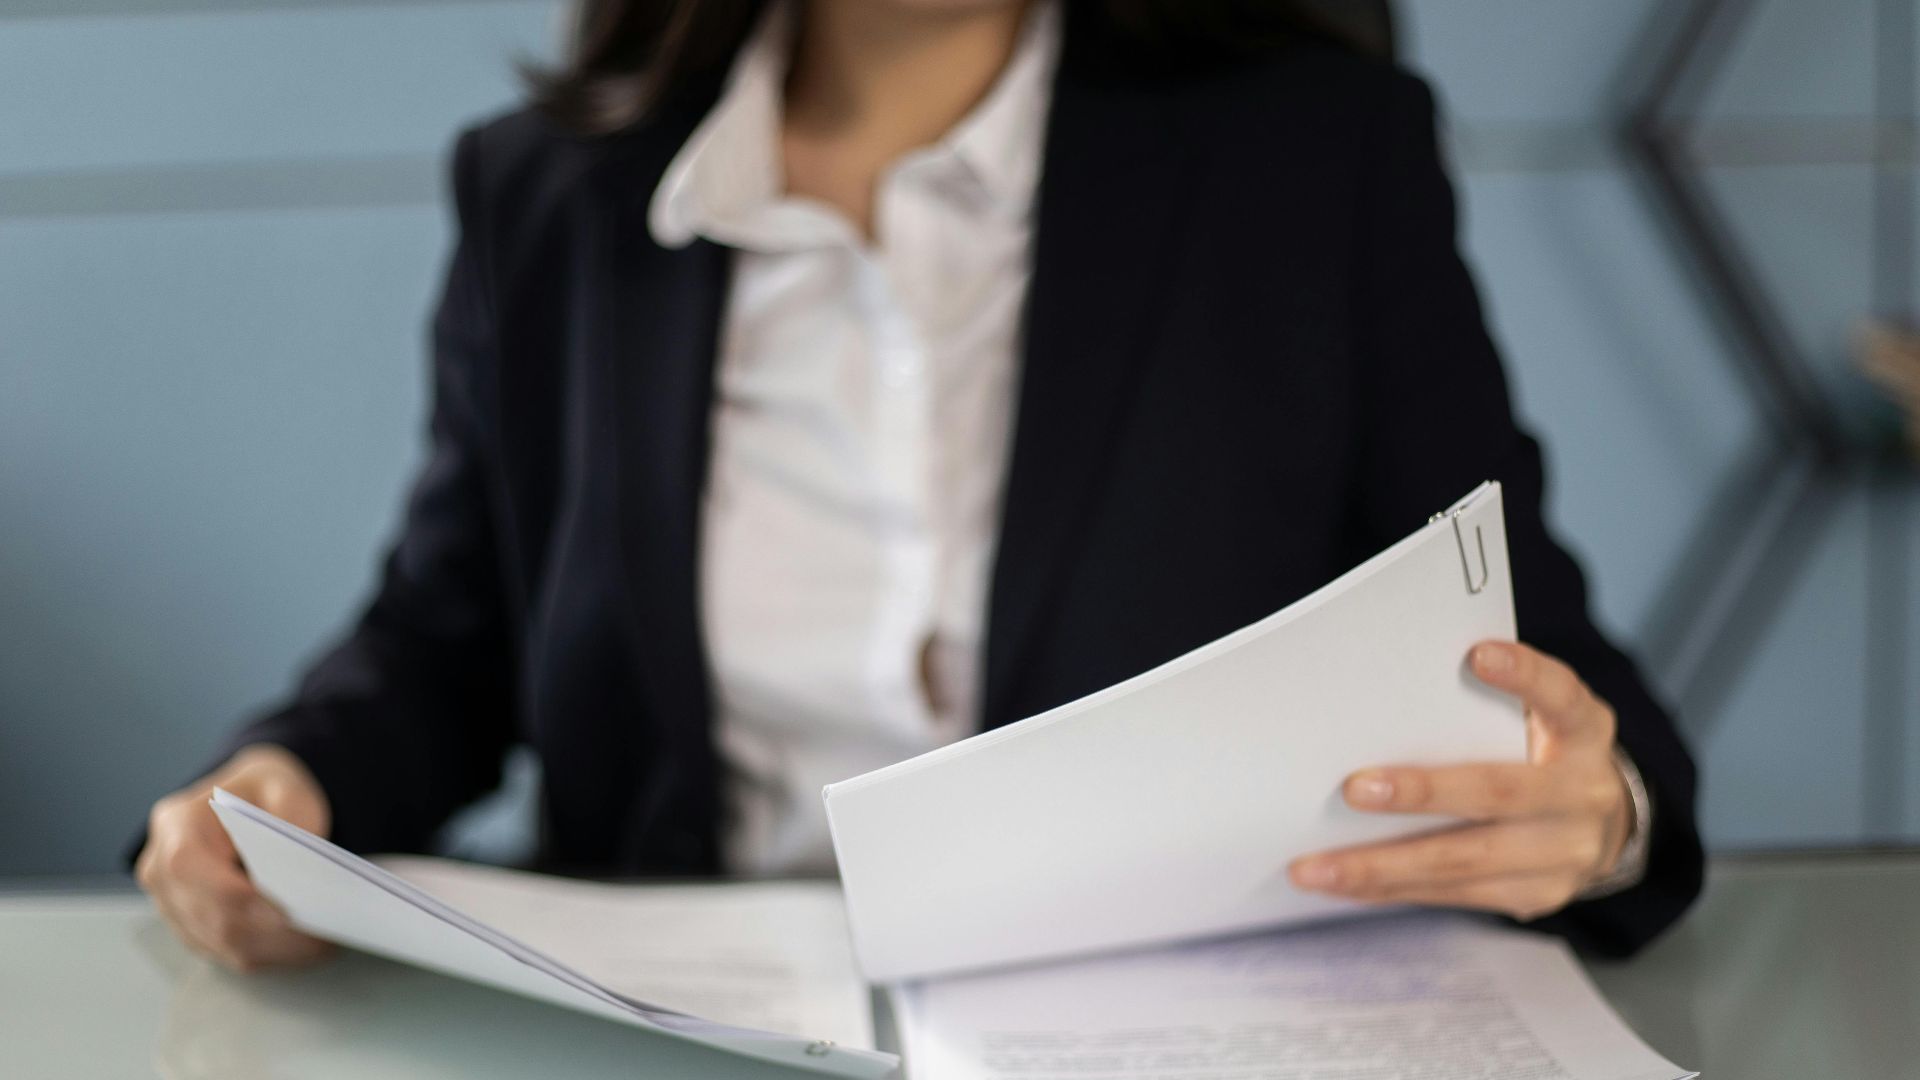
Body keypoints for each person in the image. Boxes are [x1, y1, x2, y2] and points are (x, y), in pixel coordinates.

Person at [136, 0, 1704, 973]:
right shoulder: (556, 195)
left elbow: (1551, 677)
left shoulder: (1308, 158)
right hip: (675, 1027)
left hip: (1177, 1029)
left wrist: (1603, 810)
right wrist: (285, 793)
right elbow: (446, 640)